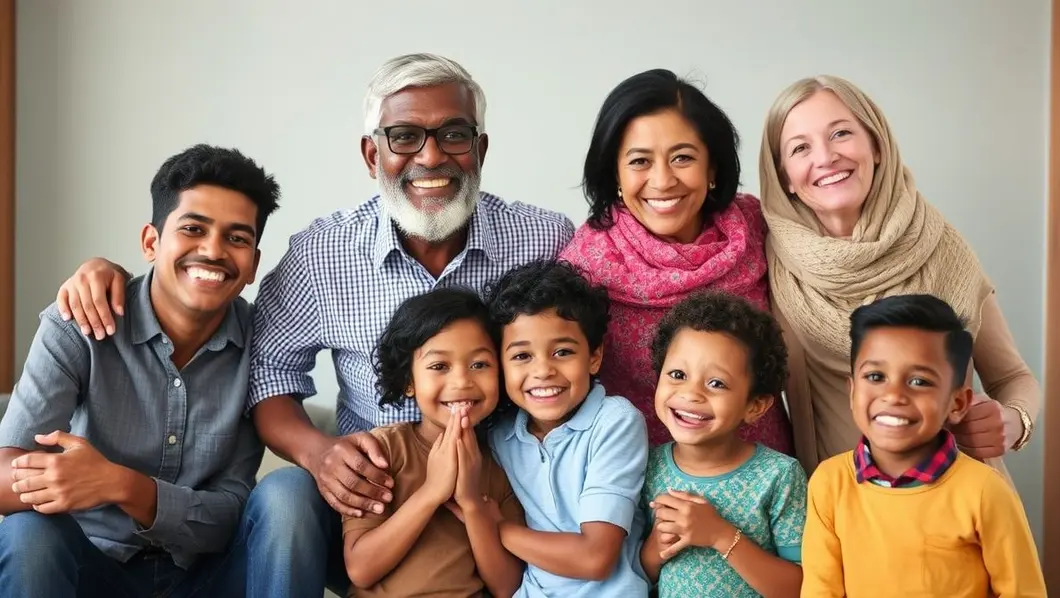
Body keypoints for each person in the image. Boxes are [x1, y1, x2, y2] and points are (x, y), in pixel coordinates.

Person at [48, 54, 575, 596]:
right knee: (285, 495)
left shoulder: (544, 239)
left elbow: (592, 335)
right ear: (373, 154)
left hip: (509, 488)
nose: (432, 156)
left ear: (480, 148)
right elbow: (269, 375)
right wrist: (318, 453)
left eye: (454, 134)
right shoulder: (322, 253)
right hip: (371, 498)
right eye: (405, 137)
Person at [0, 144, 280, 597]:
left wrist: (121, 485)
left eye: (237, 238)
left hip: (207, 578)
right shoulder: (79, 322)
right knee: (29, 534)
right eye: (193, 228)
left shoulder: (264, 340)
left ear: (253, 265)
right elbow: (3, 473)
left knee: (287, 494)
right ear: (151, 242)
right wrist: (61, 481)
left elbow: (230, 514)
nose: (213, 251)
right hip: (92, 567)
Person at [758, 75, 1040, 476]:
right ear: (784, 175)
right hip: (838, 516)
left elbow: (1014, 377)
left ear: (876, 145)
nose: (825, 157)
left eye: (840, 133)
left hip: (955, 507)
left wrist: (1014, 422)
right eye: (800, 147)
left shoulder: (941, 247)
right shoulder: (770, 261)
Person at [559, 69, 792, 453]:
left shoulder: (759, 228)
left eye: (682, 157)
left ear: (712, 167)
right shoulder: (585, 266)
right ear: (614, 172)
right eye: (640, 161)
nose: (663, 180)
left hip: (768, 478)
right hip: (638, 487)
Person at [801, 294, 1045, 597]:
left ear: (957, 403)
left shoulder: (985, 492)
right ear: (852, 392)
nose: (893, 395)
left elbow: (1024, 592)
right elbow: (820, 591)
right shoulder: (828, 483)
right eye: (876, 376)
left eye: (919, 381)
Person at [343, 287, 523, 597]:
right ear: (409, 382)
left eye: (479, 364)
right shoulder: (383, 451)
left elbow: (507, 587)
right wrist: (432, 492)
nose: (462, 382)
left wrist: (471, 504)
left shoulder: (503, 464)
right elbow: (361, 569)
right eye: (439, 366)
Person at [484, 260, 650, 597]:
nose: (543, 370)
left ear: (594, 357)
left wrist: (499, 529)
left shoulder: (615, 422)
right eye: (521, 356)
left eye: (562, 352)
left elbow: (595, 558)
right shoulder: (498, 437)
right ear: (500, 365)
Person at [641, 291, 806, 598]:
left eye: (716, 383)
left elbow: (800, 588)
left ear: (755, 406)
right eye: (678, 374)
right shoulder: (646, 466)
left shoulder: (779, 475)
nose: (691, 394)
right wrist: (653, 550)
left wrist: (720, 535)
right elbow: (634, 576)